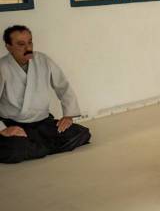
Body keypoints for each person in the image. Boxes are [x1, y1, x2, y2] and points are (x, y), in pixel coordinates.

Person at [0, 25, 91, 164]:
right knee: (14, 149)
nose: (28, 48)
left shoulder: (43, 60)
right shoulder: (2, 67)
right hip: (15, 125)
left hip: (42, 123)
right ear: (8, 47)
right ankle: (39, 147)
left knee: (80, 133)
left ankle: (37, 148)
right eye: (21, 44)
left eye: (30, 42)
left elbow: (63, 86)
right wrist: (3, 130)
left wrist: (68, 115)